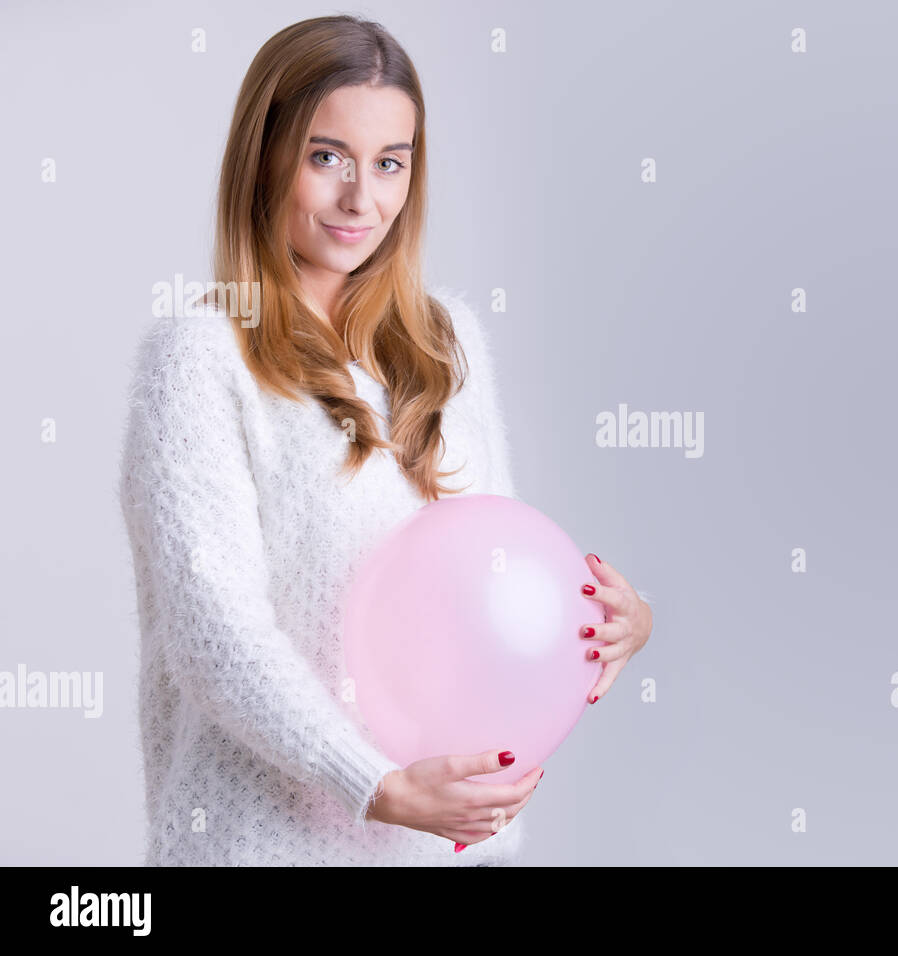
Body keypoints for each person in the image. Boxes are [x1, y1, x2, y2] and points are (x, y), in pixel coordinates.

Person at [117, 14, 653, 867]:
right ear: (265, 155)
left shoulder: (451, 340)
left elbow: (493, 578)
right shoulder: (198, 359)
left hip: (448, 851)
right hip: (266, 848)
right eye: (327, 156)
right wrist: (379, 787)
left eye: (390, 163)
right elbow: (216, 641)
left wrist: (610, 625)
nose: (361, 199)